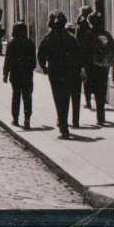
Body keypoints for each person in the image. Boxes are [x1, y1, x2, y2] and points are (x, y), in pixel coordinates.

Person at [37, 11, 84, 139]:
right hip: (69, 72)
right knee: (66, 98)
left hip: (54, 72)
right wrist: (79, 69)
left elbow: (40, 54)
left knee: (58, 98)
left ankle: (63, 127)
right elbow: (78, 56)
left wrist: (44, 67)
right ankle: (63, 124)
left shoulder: (48, 37)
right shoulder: (70, 37)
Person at [80, 11, 114, 126]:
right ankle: (101, 117)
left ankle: (99, 116)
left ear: (90, 23)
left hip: (91, 67)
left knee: (94, 91)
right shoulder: (106, 34)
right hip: (103, 67)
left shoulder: (88, 35)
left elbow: (83, 52)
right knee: (101, 92)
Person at [3, 22, 37, 129]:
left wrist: (5, 73)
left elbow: (7, 60)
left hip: (15, 75)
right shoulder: (30, 43)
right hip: (27, 74)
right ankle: (27, 119)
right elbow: (33, 61)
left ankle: (15, 118)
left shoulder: (12, 44)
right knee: (27, 97)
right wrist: (30, 68)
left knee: (16, 96)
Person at [75, 6, 94, 109]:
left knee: (86, 79)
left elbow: (77, 38)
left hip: (84, 55)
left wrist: (78, 20)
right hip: (93, 55)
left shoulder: (81, 25)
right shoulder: (95, 25)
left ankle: (88, 102)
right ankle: (99, 99)